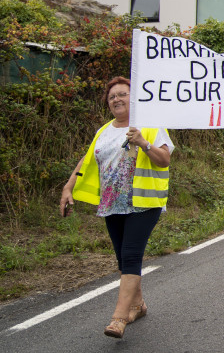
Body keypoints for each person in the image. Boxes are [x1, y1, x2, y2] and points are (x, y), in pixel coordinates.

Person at [59, 76, 173, 339]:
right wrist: (67, 188)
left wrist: (144, 142)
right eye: (112, 97)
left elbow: (164, 160)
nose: (117, 99)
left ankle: (118, 319)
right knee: (123, 259)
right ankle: (138, 305)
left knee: (131, 255)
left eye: (122, 94)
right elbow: (85, 163)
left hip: (143, 204)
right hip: (112, 205)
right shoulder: (103, 131)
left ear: (133, 99)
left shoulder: (152, 127)